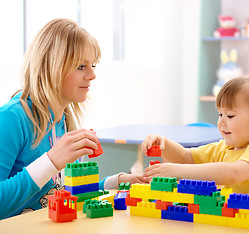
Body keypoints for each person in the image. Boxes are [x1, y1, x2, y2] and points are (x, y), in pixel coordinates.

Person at [0, 18, 147, 220]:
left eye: (93, 65)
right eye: (81, 66)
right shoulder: (12, 119)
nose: (93, 74)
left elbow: (62, 191)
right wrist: (51, 161)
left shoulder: (64, 120)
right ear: (52, 67)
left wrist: (114, 182)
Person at [141, 75, 249, 197]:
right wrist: (164, 144)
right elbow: (185, 157)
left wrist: (177, 171)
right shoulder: (223, 148)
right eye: (220, 114)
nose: (221, 122)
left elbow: (232, 173)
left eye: (230, 115)